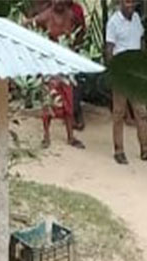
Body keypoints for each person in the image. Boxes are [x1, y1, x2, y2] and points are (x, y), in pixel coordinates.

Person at [104, 0, 147, 165]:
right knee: (119, 113)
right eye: (127, 2)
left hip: (135, 73)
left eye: (132, 3)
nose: (130, 5)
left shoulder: (136, 18)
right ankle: (119, 150)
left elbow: (140, 41)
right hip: (121, 72)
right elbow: (109, 49)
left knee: (141, 112)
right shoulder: (113, 22)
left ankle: (146, 150)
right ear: (121, 3)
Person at [31, 0, 85, 149]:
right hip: (49, 65)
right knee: (49, 101)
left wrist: (75, 49)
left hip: (65, 65)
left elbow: (82, 30)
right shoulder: (46, 15)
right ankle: (46, 136)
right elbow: (28, 23)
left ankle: (70, 136)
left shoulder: (72, 16)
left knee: (68, 102)